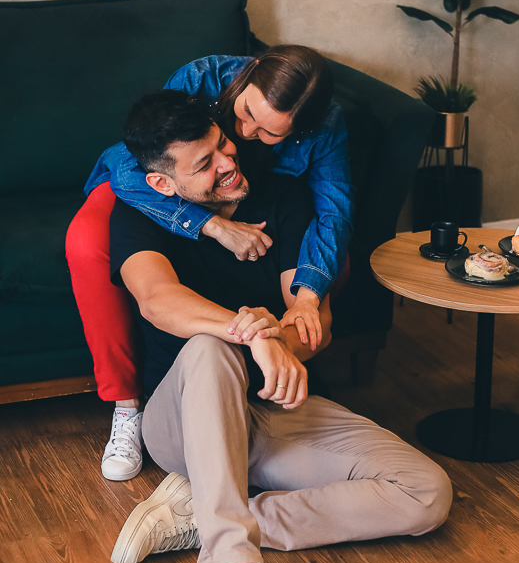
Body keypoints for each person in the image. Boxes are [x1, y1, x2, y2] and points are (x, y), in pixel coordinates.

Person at [108, 89, 452, 563]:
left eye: (222, 145)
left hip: (270, 410)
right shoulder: (137, 214)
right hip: (185, 419)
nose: (227, 162)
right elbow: (158, 302)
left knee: (426, 493)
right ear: (165, 186)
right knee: (210, 347)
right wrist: (251, 334)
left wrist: (280, 337)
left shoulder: (283, 197)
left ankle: (212, 519)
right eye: (205, 164)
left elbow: (305, 320)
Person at [65, 45, 354, 482]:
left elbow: (334, 212)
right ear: (249, 76)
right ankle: (126, 406)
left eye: (269, 132)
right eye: (243, 114)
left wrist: (308, 300)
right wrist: (211, 227)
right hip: (155, 186)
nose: (245, 132)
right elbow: (150, 155)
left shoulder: (314, 139)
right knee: (88, 246)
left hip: (235, 194)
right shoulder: (200, 82)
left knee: (329, 263)